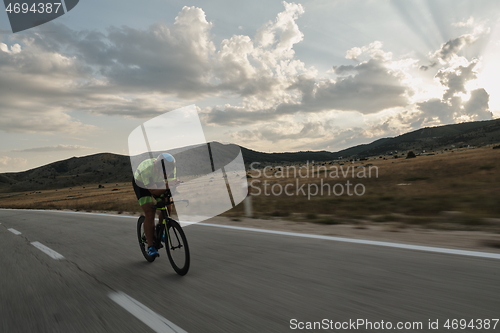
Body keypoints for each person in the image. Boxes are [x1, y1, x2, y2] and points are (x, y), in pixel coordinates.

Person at [132, 153, 180, 257]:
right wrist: (168, 185)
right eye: (163, 171)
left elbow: (171, 189)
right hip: (141, 184)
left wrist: (172, 190)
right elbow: (153, 191)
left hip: (158, 182)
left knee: (168, 206)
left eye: (168, 171)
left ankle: (159, 229)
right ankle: (150, 246)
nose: (166, 174)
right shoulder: (147, 169)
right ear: (156, 166)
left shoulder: (172, 168)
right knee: (150, 212)